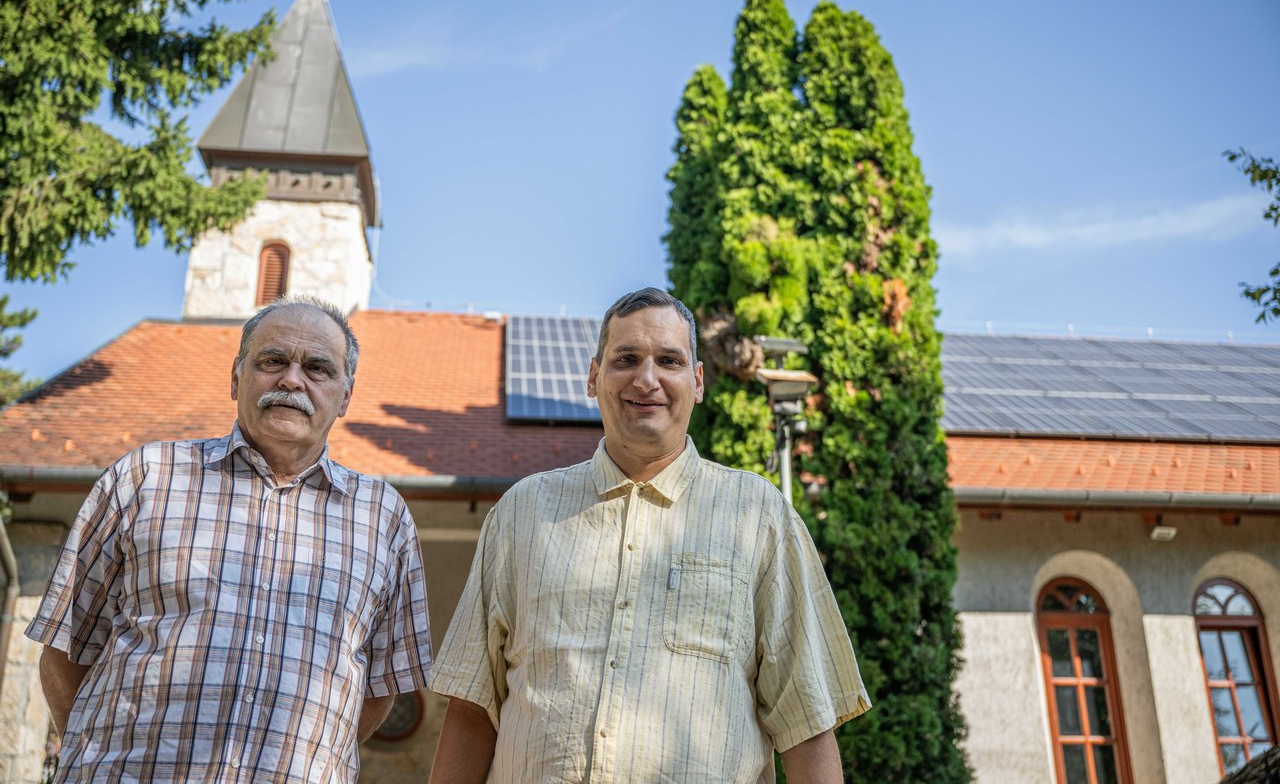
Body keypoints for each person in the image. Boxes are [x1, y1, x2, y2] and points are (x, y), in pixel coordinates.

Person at [429, 287, 869, 784]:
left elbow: (806, 722)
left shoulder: (759, 517)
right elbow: (472, 708)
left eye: (669, 360)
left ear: (697, 382)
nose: (647, 379)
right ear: (594, 377)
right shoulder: (521, 514)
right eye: (627, 359)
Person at [27, 295, 433, 782]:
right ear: (236, 378)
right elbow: (65, 645)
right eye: (272, 360)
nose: (291, 379)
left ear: (345, 396)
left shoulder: (384, 519)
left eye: (318, 368)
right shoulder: (145, 477)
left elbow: (381, 686)